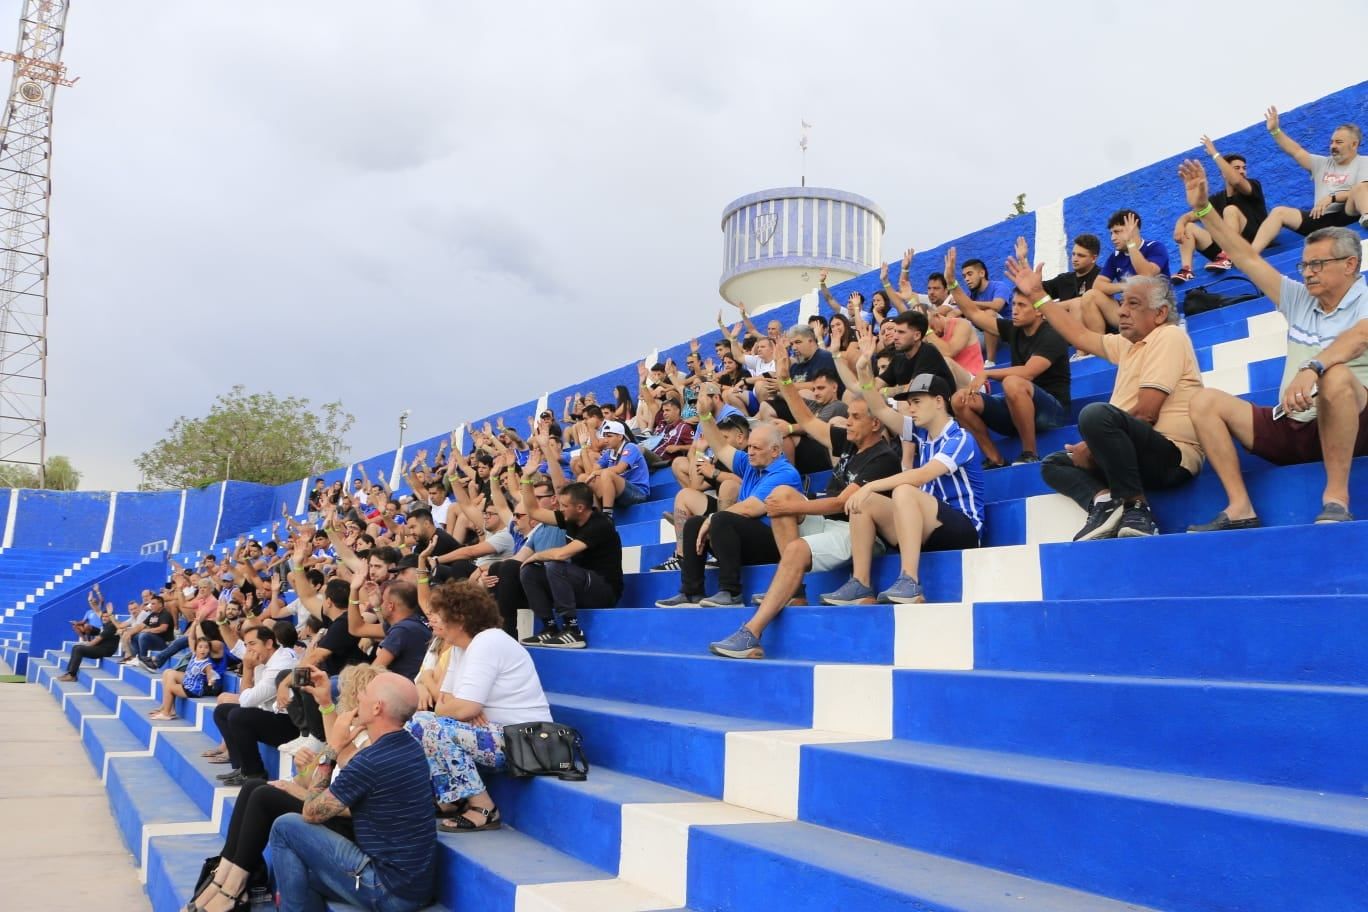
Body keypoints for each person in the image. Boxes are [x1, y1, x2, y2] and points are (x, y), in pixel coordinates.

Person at [1176, 160, 1368, 529]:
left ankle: (1336, 500)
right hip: (1292, 424)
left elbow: (1360, 338)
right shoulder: (1298, 298)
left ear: (1350, 265)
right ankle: (1240, 507)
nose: (1308, 272)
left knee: (1337, 376)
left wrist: (1313, 368)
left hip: (1354, 424)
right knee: (1203, 401)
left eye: (1318, 264)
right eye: (1304, 265)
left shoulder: (1364, 297)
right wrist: (1203, 209)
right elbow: (1247, 257)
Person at [708, 343, 900, 658]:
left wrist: (796, 507)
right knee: (781, 495)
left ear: (876, 424)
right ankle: (794, 591)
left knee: (793, 532)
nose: (846, 422)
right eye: (847, 416)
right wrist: (785, 382)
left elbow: (842, 505)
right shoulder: (851, 444)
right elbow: (808, 421)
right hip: (828, 525)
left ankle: (752, 632)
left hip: (860, 533)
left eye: (854, 417)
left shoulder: (884, 457)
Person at [1007, 252, 1204, 540]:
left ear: (1160, 314)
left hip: (1170, 457)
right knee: (1054, 463)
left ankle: (1137, 509)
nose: (1121, 311)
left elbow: (1146, 413)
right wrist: (1038, 295)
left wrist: (1092, 446)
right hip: (1128, 454)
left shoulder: (1168, 336)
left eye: (1133, 304)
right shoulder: (1127, 345)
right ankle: (1105, 503)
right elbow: (1079, 335)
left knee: (1095, 415)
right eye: (1122, 303)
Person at [187, 665, 382, 912]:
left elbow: (352, 804)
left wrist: (299, 790)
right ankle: (221, 877)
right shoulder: (350, 731)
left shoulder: (372, 743)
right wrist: (306, 769)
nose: (340, 697)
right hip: (326, 808)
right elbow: (316, 773)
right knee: (253, 786)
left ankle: (233, 888)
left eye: (344, 692)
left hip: (343, 824)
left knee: (264, 796)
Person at [266, 671, 436, 911]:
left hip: (388, 890)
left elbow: (311, 812)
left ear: (377, 708)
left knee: (285, 826)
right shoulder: (412, 748)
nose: (358, 696)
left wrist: (332, 747)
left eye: (364, 693)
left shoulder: (371, 761)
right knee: (303, 874)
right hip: (415, 886)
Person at [824, 361, 984, 605]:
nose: (910, 409)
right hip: (928, 527)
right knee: (865, 503)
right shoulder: (921, 434)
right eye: (909, 404)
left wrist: (870, 484)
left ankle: (909, 580)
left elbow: (922, 475)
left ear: (939, 401)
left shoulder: (960, 437)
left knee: (904, 490)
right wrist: (865, 372)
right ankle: (861, 583)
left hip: (964, 530)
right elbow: (879, 409)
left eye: (917, 402)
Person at [407, 582, 552, 831]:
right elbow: (446, 704)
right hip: (497, 734)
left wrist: (462, 710)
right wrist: (461, 710)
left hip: (529, 741)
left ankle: (484, 808)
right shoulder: (459, 649)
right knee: (420, 721)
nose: (433, 622)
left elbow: (462, 708)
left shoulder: (488, 642)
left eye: (439, 616)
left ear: (460, 618)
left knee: (426, 725)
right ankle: (452, 800)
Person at [655, 407, 801, 609]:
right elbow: (721, 447)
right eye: (749, 447)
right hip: (747, 537)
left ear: (775, 451)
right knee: (694, 523)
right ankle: (691, 591)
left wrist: (713, 518)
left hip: (774, 543)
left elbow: (752, 508)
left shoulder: (784, 472)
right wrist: (705, 414)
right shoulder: (751, 463)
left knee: (721, 519)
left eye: (756, 448)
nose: (750, 452)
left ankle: (731, 593)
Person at [951, 257, 1073, 469]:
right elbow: (973, 313)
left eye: (1021, 305)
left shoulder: (1052, 335)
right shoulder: (1014, 329)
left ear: (1038, 310)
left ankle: (1030, 453)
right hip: (1017, 409)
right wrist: (952, 283)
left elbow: (1027, 372)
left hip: (1052, 412)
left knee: (1013, 382)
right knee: (959, 400)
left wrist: (988, 374)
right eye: (1014, 304)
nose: (1014, 310)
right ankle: (994, 458)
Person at [518, 481, 623, 649]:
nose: (560, 509)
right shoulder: (570, 518)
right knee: (528, 571)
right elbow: (534, 511)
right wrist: (527, 479)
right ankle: (549, 627)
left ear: (580, 508)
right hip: (579, 583)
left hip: (604, 590)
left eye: (564, 505)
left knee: (555, 565)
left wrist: (538, 555)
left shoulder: (600, 525)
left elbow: (562, 553)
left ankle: (573, 630)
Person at [1249, 110, 1368, 253]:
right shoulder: (1322, 164)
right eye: (1331, 142)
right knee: (1279, 212)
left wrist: (1332, 198)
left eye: (1339, 142)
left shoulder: (1364, 162)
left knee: (1360, 188)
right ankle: (1250, 254)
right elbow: (1296, 151)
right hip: (1320, 219)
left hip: (1347, 214)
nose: (1333, 146)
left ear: (1354, 144)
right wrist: (1275, 131)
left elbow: (1362, 190)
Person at [210, 622, 300, 787]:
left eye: (252, 644)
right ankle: (242, 767)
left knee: (239, 715)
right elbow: (250, 697)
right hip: (274, 715)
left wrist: (248, 669)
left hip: (292, 725)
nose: (249, 650)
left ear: (268, 643)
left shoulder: (280, 665)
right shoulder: (267, 656)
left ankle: (254, 773)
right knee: (222, 711)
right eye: (246, 645)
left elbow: (247, 702)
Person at [1172, 137, 1267, 282]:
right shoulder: (1217, 199)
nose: (1242, 172)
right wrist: (1180, 225)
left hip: (1252, 244)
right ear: (1224, 172)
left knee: (1230, 210)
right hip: (1223, 252)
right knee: (1189, 226)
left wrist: (1215, 154)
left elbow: (1236, 181)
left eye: (1244, 168)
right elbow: (1189, 216)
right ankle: (1186, 270)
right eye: (1237, 168)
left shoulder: (1253, 186)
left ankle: (1227, 255)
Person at [1067, 210, 1170, 336]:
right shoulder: (1116, 256)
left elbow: (1146, 274)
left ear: (1133, 229)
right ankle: (1099, 344)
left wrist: (1131, 243)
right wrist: (1126, 286)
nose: (1112, 238)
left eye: (1117, 232)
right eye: (1111, 233)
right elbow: (1098, 285)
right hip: (1131, 311)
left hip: (1154, 310)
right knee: (1090, 295)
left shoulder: (1155, 247)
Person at [944, 251, 1016, 366]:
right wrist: (949, 320)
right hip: (982, 334)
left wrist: (969, 304)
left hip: (1004, 331)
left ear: (982, 273)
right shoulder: (970, 294)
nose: (966, 279)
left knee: (989, 313)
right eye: (964, 276)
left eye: (970, 274)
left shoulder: (999, 286)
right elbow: (954, 312)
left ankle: (990, 362)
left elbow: (997, 306)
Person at [149, 620, 228, 721]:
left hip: (210, 686)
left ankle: (166, 712)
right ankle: (168, 708)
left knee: (170, 686)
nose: (202, 649)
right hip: (198, 679)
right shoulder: (197, 651)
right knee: (168, 673)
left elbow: (201, 640)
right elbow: (191, 638)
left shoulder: (218, 644)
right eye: (200, 647)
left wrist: (199, 625)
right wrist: (195, 623)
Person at [585, 419, 651, 517]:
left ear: (620, 437)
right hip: (621, 492)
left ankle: (607, 516)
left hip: (638, 493)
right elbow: (593, 471)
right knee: (584, 478)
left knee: (607, 474)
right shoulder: (609, 452)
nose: (606, 440)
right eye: (605, 437)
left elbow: (619, 469)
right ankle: (596, 517)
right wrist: (584, 452)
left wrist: (597, 473)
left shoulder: (631, 447)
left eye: (610, 436)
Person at [58, 604, 117, 681]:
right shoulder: (106, 624)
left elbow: (97, 640)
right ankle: (69, 673)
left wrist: (85, 644)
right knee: (76, 647)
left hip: (105, 650)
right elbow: (97, 611)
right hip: (101, 647)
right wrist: (90, 601)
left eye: (107, 617)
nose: (104, 618)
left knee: (78, 649)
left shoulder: (111, 627)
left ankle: (72, 675)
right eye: (103, 617)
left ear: (111, 618)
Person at [1041, 234, 1103, 302]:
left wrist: (1054, 307)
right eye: (1073, 254)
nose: (1075, 259)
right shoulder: (1064, 280)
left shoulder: (1102, 279)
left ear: (1094, 258)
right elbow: (1038, 291)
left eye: (1081, 255)